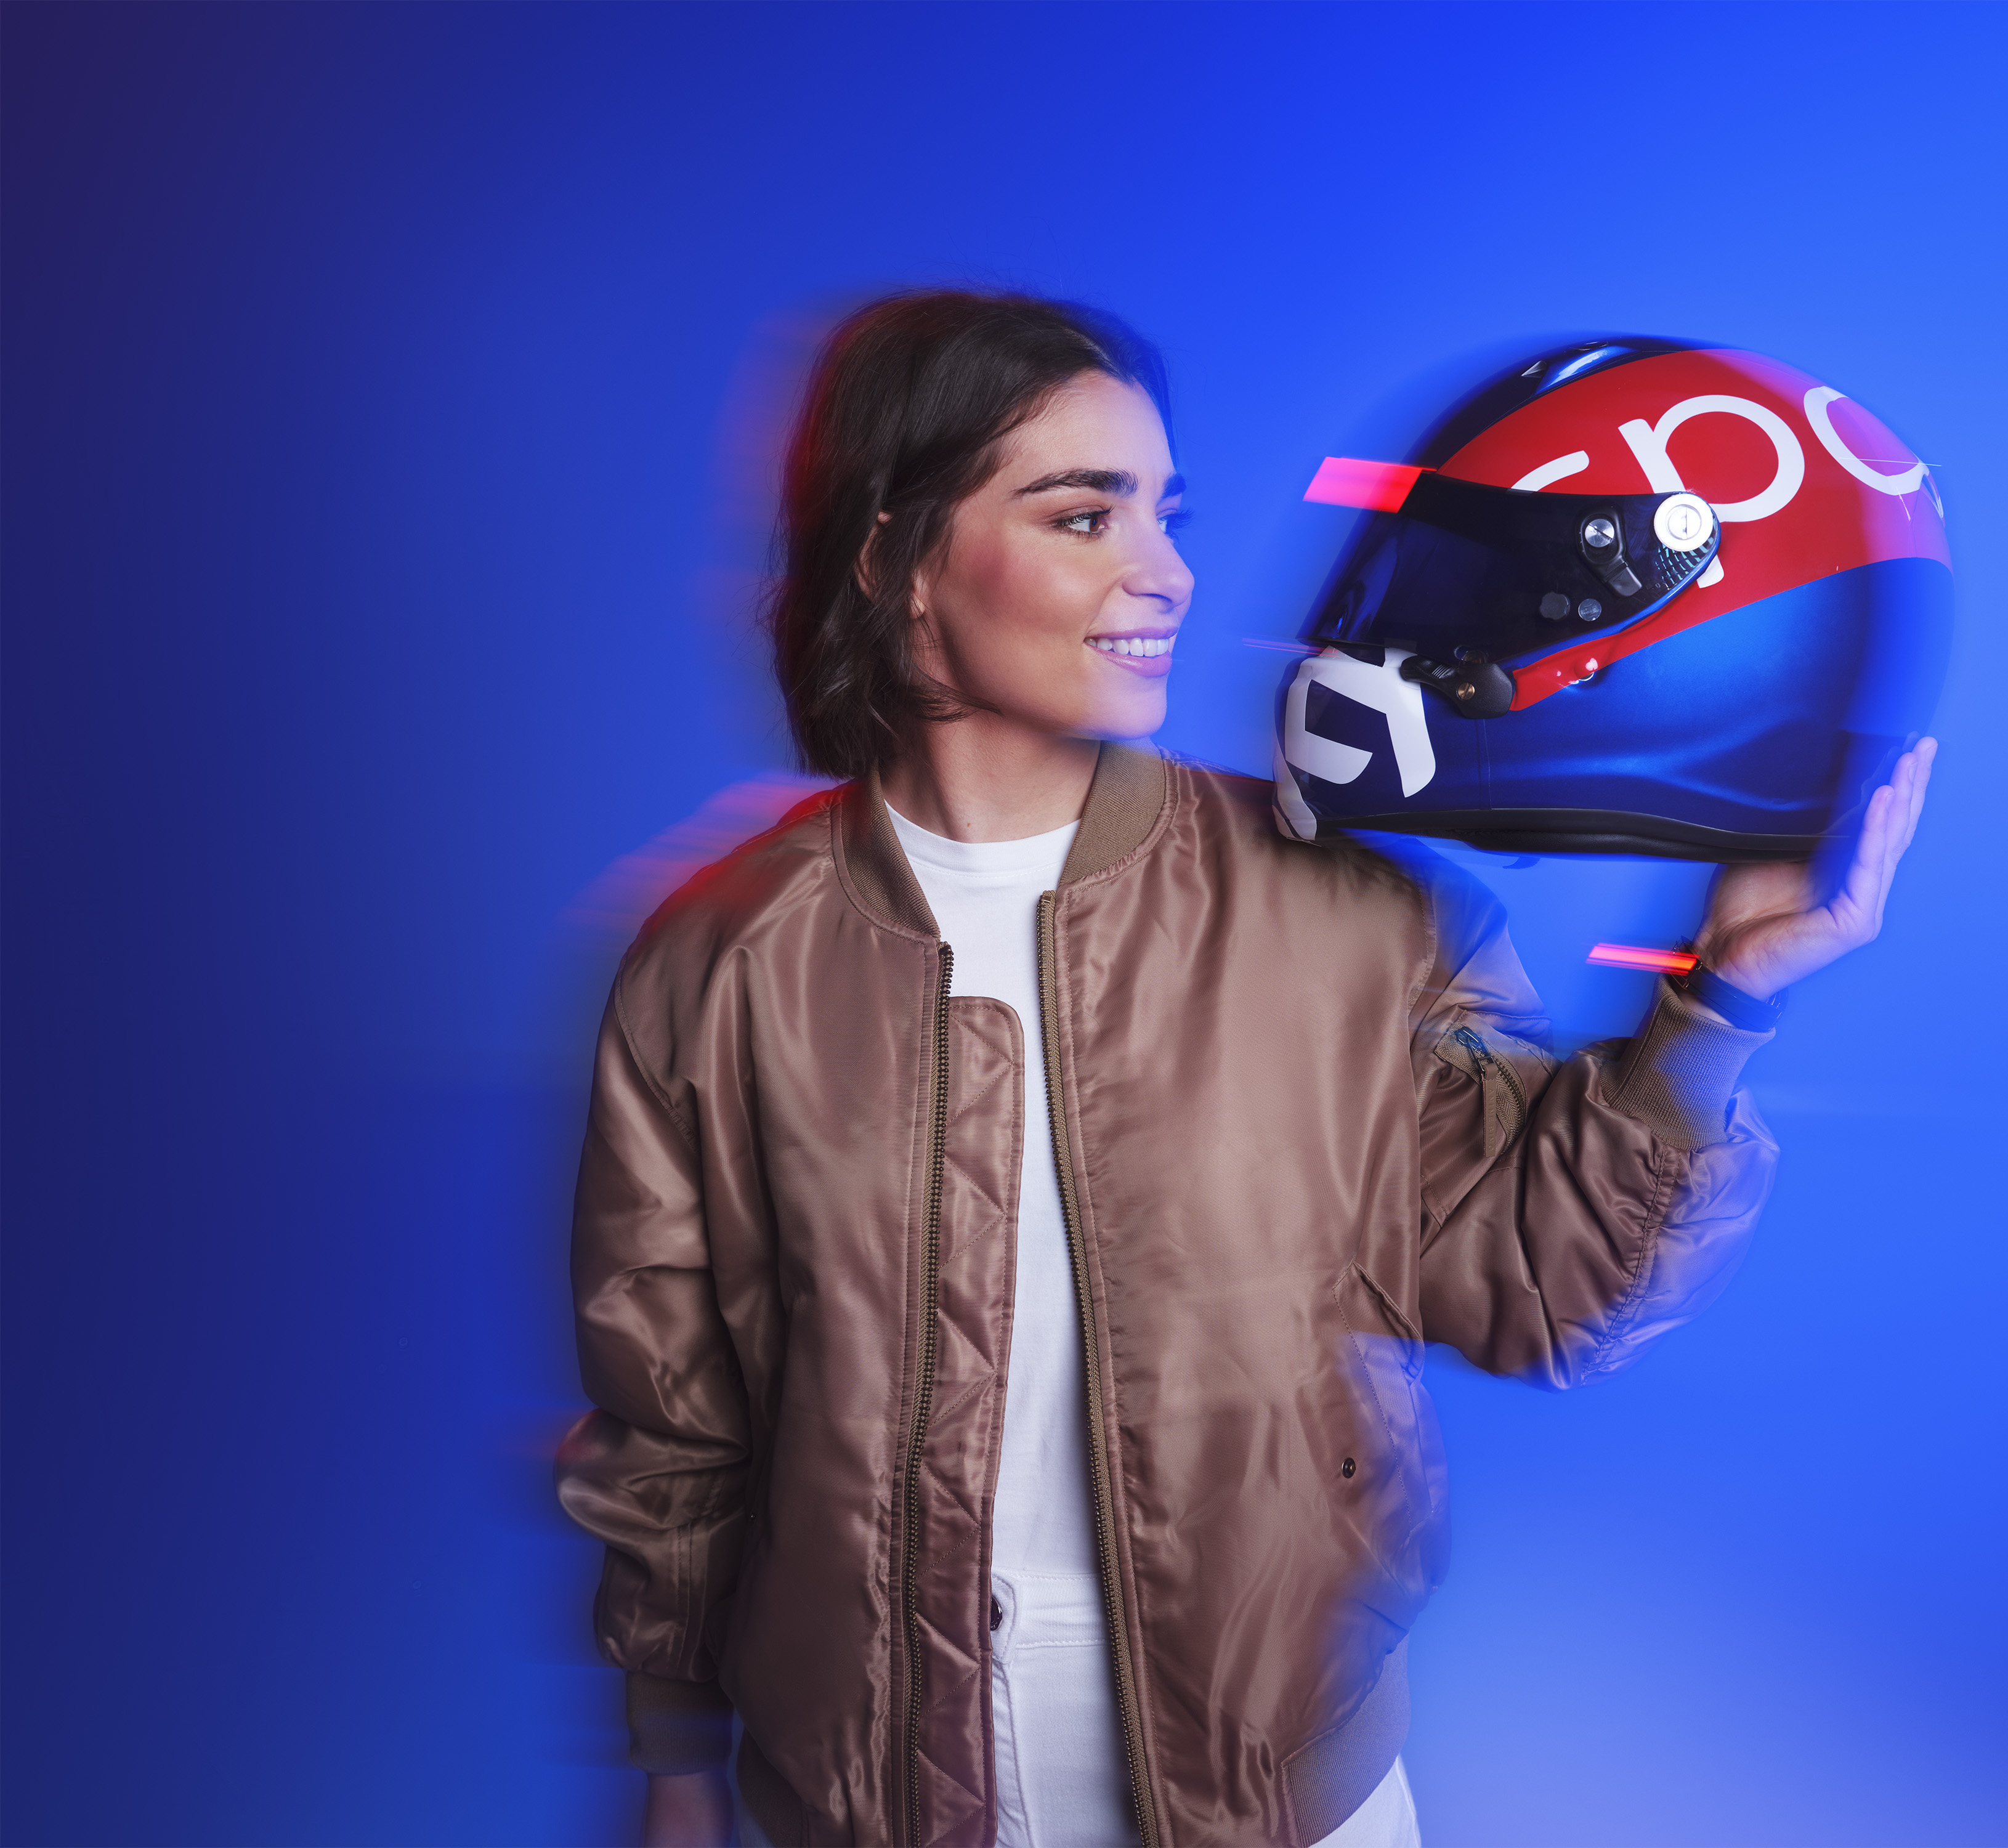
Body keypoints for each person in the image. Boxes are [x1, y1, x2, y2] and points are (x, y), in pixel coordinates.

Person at [555, 291, 1935, 1848]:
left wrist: (1718, 1007)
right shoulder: (714, 962)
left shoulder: (1348, 912)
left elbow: (1533, 1292)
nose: (1166, 573)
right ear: (894, 559)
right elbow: (674, 1413)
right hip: (851, 1809)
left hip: (1293, 1805)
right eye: (1085, 515)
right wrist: (675, 1764)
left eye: (1167, 511)